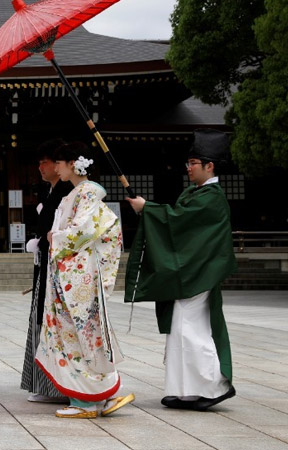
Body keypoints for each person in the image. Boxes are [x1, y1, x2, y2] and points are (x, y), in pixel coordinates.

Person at [125, 129, 237, 411]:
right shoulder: (196, 193)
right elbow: (178, 224)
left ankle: (212, 386)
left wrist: (147, 208)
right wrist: (149, 210)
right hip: (192, 273)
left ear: (209, 166)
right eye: (188, 163)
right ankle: (185, 391)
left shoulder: (212, 198)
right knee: (181, 328)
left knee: (192, 329)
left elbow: (178, 224)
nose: (188, 168)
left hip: (200, 274)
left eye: (193, 163)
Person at [35, 141, 134, 419]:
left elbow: (84, 231)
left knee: (80, 334)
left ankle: (88, 401)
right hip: (69, 274)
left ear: (72, 164)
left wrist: (56, 237)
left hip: (77, 276)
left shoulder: (88, 193)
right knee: (78, 335)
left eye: (59, 163)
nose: (55, 168)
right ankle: (100, 393)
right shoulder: (76, 194)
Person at [20, 139, 72, 404]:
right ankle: (44, 383)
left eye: (47, 162)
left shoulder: (68, 193)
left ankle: (59, 385)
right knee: (40, 318)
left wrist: (42, 241)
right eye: (39, 162)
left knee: (54, 321)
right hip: (45, 265)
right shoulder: (50, 192)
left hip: (60, 269)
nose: (41, 167)